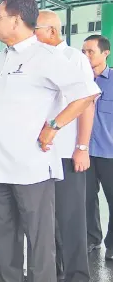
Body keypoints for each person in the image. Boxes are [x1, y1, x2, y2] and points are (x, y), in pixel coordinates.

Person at [0, 0, 99, 282]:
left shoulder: (45, 56)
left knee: (40, 245)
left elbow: (87, 93)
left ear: (17, 20)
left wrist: (54, 126)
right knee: (4, 245)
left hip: (31, 169)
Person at [35, 9, 101, 282]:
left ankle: (76, 275)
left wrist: (81, 148)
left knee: (71, 218)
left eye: (35, 27)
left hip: (65, 153)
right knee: (45, 222)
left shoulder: (73, 58)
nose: (31, 33)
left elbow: (87, 103)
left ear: (52, 30)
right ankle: (54, 272)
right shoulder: (34, 59)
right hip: (38, 154)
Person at [83, 34, 113, 260]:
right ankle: (91, 239)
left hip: (110, 153)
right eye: (83, 52)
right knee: (86, 199)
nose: (86, 56)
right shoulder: (78, 82)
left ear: (105, 53)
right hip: (83, 153)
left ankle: (112, 245)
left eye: (90, 51)